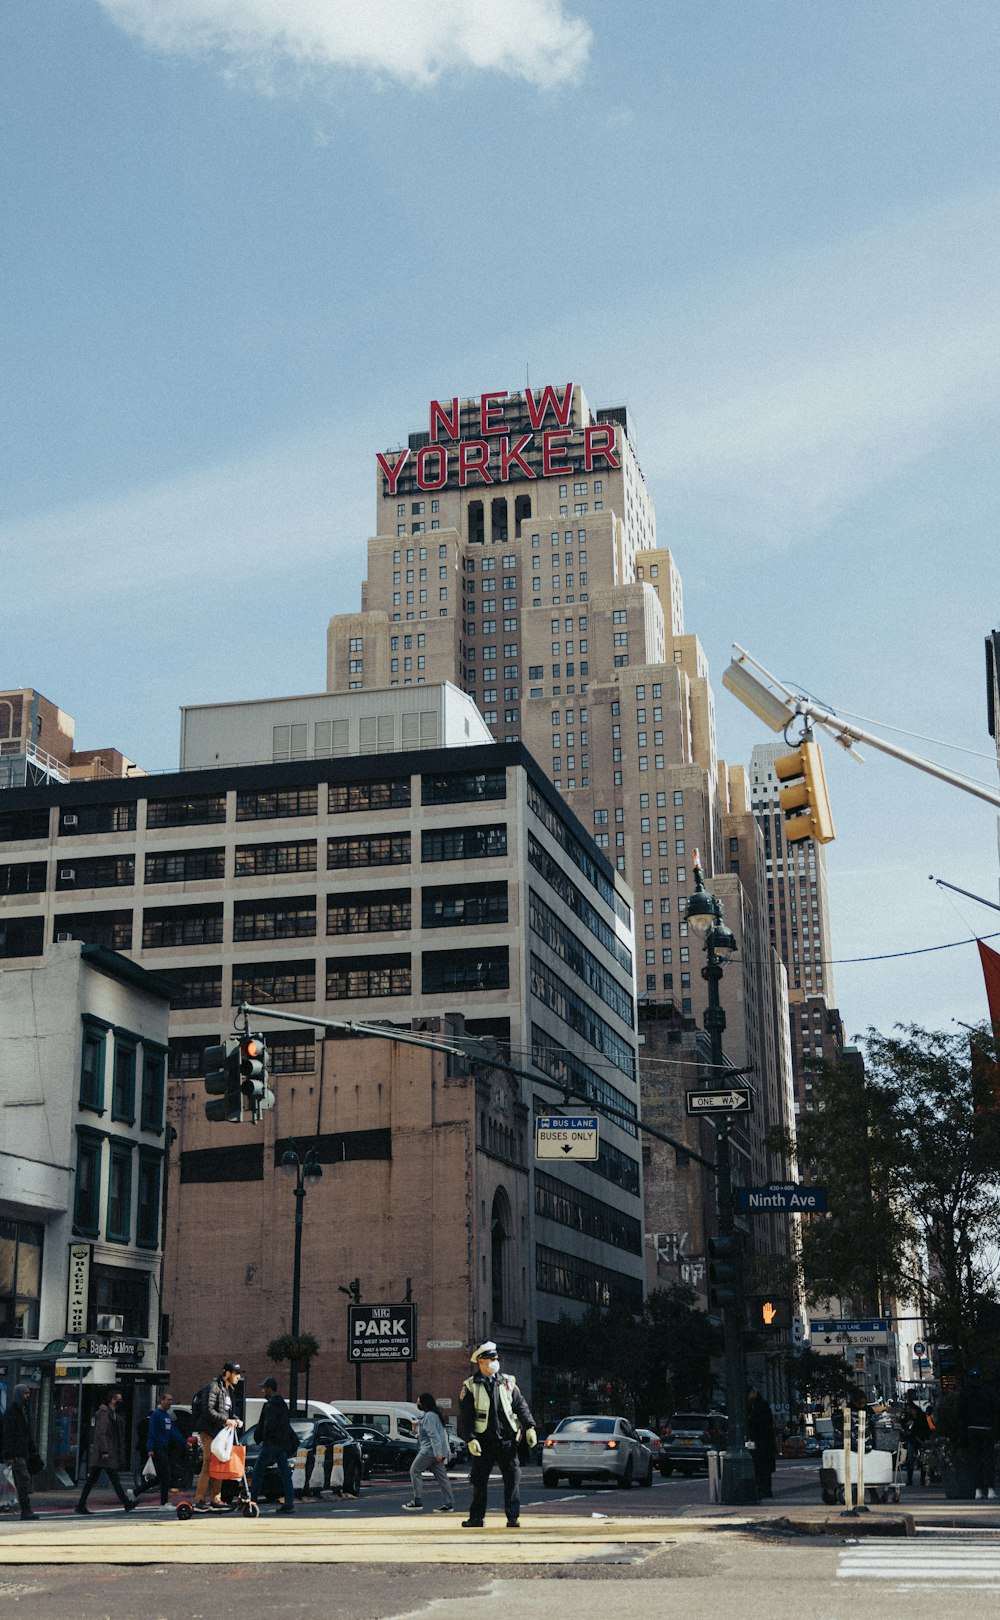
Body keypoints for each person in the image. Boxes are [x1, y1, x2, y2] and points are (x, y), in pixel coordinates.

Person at [458, 1340, 536, 1529]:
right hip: (483, 1440)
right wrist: (470, 1439)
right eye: (491, 1358)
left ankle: (513, 1517)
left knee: (512, 1479)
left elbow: (520, 1406)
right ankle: (476, 1518)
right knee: (479, 1481)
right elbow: (466, 1415)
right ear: (481, 1362)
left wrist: (530, 1427)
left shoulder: (508, 1382)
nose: (495, 1361)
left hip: (507, 1439)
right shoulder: (470, 1386)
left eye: (496, 1358)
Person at [194, 1361, 244, 1513]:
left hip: (219, 1432)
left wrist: (235, 1419)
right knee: (209, 1463)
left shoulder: (229, 1390)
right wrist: (226, 1420)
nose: (239, 1377)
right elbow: (208, 1411)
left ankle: (216, 1499)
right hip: (208, 1430)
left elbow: (227, 1412)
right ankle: (200, 1500)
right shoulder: (213, 1387)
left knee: (218, 1463)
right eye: (236, 1374)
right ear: (228, 1373)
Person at [75, 1389, 136, 1514]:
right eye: (119, 1399)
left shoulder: (113, 1415)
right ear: (113, 1400)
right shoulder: (105, 1414)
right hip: (104, 1454)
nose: (121, 1402)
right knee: (114, 1479)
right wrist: (104, 1451)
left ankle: (81, 1504)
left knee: (93, 1480)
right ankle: (126, 1503)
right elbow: (101, 1433)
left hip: (104, 1453)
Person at [402, 1392, 455, 1513]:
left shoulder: (429, 1416)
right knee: (442, 1478)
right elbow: (426, 1435)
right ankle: (449, 1503)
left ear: (424, 1403)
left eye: (418, 1401)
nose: (417, 1403)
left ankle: (417, 1500)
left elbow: (434, 1436)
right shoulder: (433, 1415)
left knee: (414, 1471)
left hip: (429, 1451)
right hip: (437, 1451)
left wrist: (437, 1453)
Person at [250, 1376, 296, 1515]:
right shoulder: (282, 1404)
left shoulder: (270, 1405)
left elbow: (267, 1425)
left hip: (271, 1444)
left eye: (264, 1388)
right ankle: (289, 1503)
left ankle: (252, 1501)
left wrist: (263, 1438)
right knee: (285, 1473)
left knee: (257, 1472)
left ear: (270, 1389)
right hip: (282, 1444)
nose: (263, 1391)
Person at [956, 1368, 999, 1501]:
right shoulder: (988, 1391)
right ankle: (990, 1489)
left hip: (972, 1429)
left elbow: (960, 1414)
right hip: (986, 1429)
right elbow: (996, 1410)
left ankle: (978, 1490)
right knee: (988, 1460)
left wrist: (962, 1433)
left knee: (975, 1461)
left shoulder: (965, 1393)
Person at [145, 1390, 190, 1508]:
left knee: (161, 1476)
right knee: (166, 1474)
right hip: (158, 1447)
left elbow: (172, 1431)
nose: (171, 1402)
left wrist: (184, 1441)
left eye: (171, 1400)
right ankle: (163, 1502)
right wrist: (150, 1448)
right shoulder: (156, 1415)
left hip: (164, 1448)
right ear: (162, 1401)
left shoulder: (167, 1416)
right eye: (169, 1400)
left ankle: (135, 1492)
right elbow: (152, 1432)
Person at [2, 1382, 39, 1521]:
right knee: (23, 1481)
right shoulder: (13, 1412)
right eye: (25, 1393)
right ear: (19, 1394)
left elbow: (26, 1434)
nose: (28, 1396)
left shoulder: (23, 1411)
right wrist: (9, 1455)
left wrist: (32, 1449)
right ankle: (26, 1510)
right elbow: (8, 1435)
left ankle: (26, 1509)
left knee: (22, 1481)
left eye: (28, 1393)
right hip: (17, 1454)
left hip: (22, 1453)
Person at [745, 1386, 777, 1500]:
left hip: (763, 1444)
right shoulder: (753, 1406)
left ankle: (764, 1490)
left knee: (762, 1469)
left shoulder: (761, 1406)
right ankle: (762, 1489)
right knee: (760, 1468)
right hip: (759, 1443)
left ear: (753, 1393)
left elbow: (762, 1425)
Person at [900, 1397, 931, 1487]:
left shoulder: (921, 1416)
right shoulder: (908, 1416)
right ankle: (910, 1479)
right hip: (912, 1439)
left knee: (922, 1459)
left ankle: (922, 1478)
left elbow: (924, 1427)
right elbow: (903, 1423)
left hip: (920, 1438)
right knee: (910, 1459)